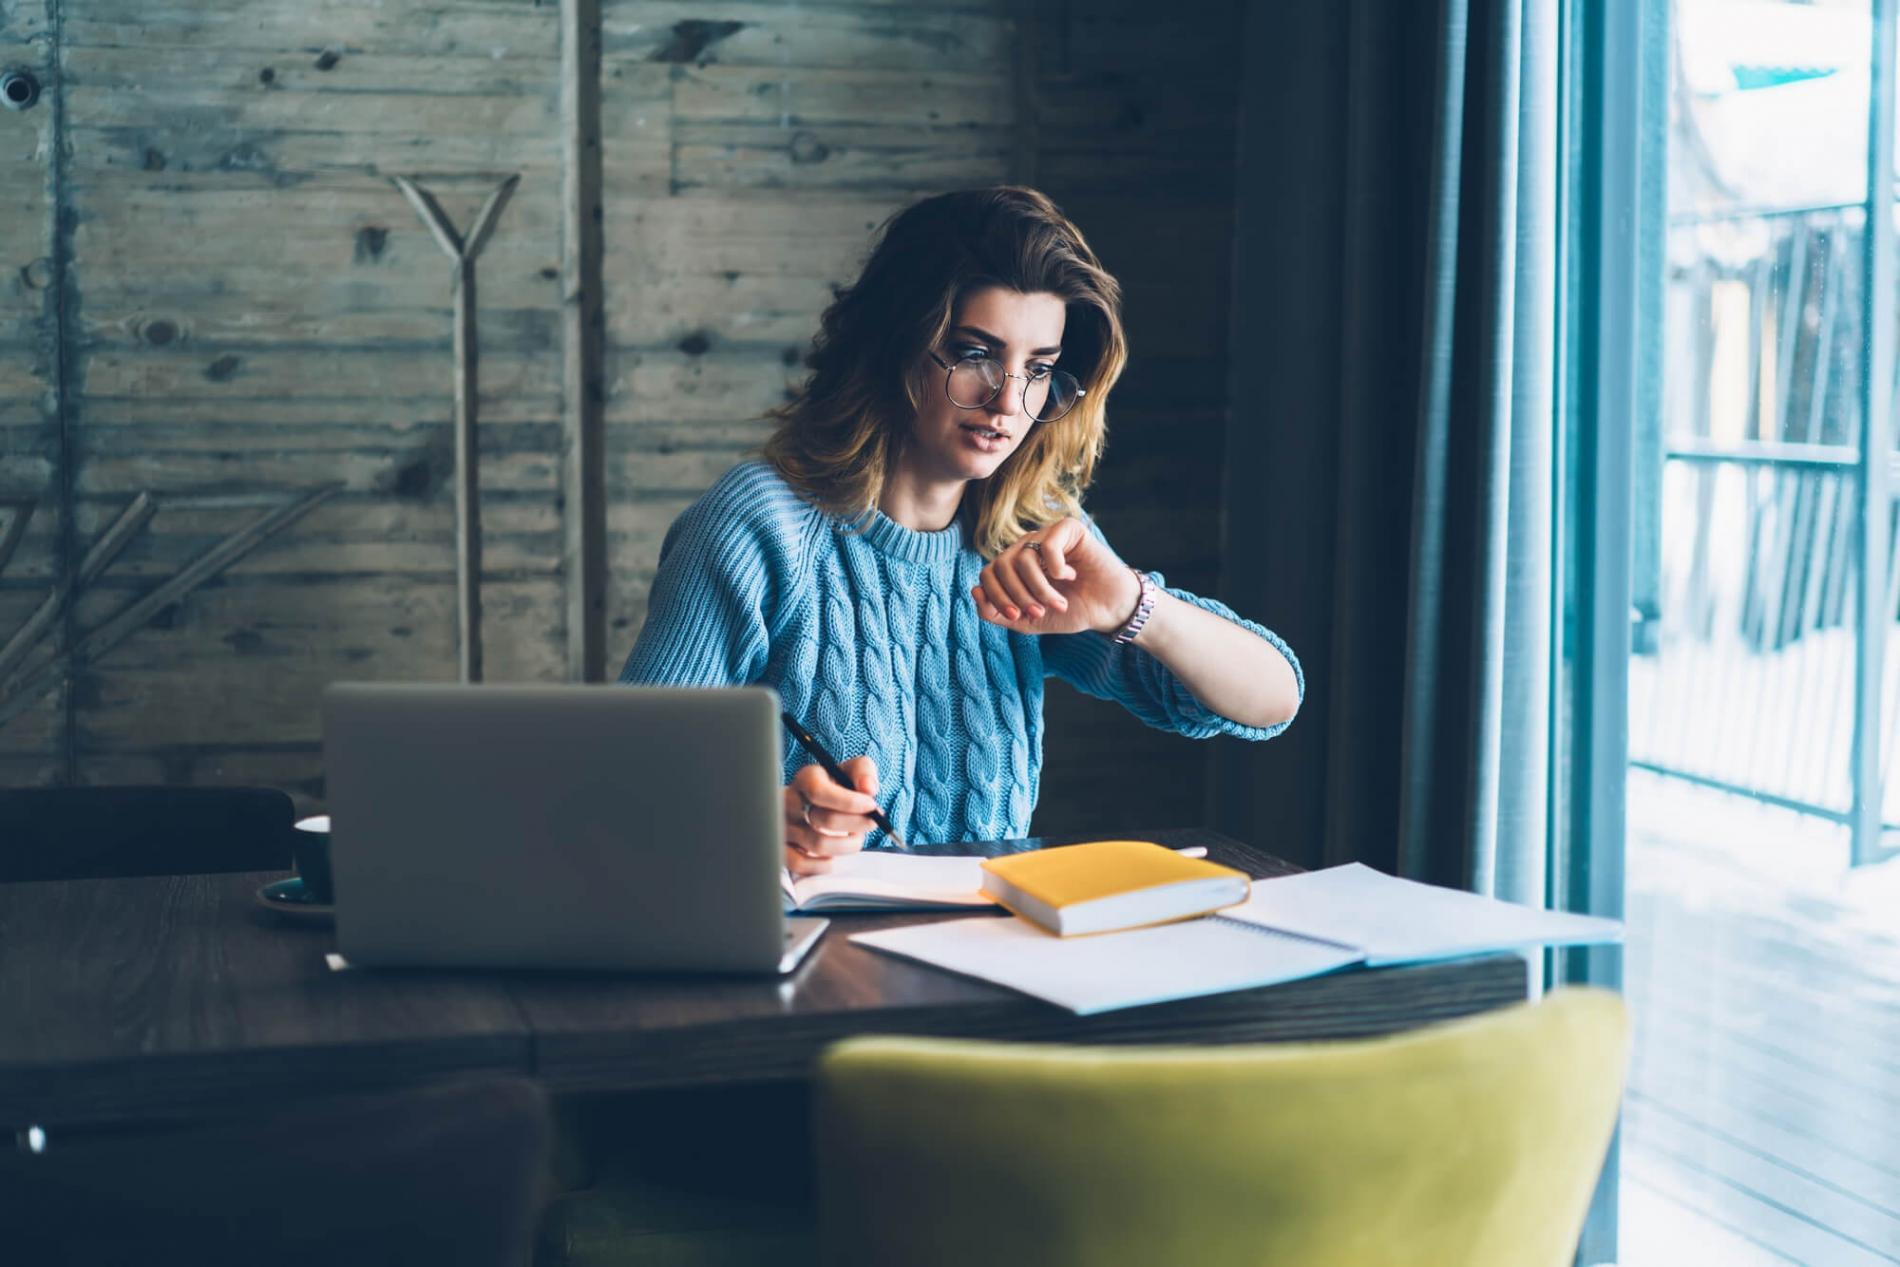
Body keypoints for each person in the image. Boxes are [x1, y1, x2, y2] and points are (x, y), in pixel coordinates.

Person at [619, 185, 1302, 870]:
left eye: (1037, 370)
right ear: (897, 343)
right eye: (975, 354)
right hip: (808, 954)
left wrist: (1133, 605)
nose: (1008, 401)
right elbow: (623, 781)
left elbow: (1272, 700)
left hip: (987, 949)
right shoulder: (761, 525)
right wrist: (768, 819)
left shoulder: (1028, 536)